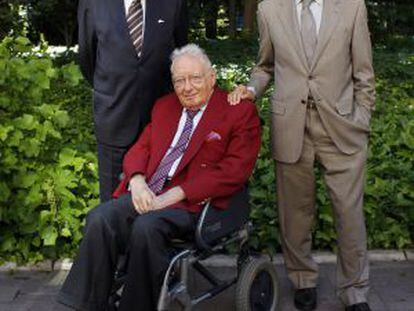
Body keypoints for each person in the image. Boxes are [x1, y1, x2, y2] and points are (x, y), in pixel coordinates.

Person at [57, 44, 261, 311]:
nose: (187, 87)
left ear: (211, 78)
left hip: (195, 203)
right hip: (149, 193)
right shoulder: (165, 107)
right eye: (179, 80)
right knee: (101, 218)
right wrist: (138, 180)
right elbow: (140, 148)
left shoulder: (237, 112)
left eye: (195, 78)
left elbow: (235, 171)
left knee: (146, 228)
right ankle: (85, 304)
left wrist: (177, 193)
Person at [228, 0, 375, 310]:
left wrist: (361, 120)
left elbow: (364, 74)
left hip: (342, 127)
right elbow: (265, 67)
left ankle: (354, 291)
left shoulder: (352, 7)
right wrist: (251, 90)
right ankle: (303, 279)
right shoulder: (269, 9)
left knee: (350, 216)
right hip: (291, 126)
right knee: (294, 214)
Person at [78, 0, 188, 202]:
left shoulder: (173, 3)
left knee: (156, 200)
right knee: (111, 203)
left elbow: (182, 55)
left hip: (158, 123)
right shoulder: (93, 3)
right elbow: (87, 57)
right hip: (114, 118)